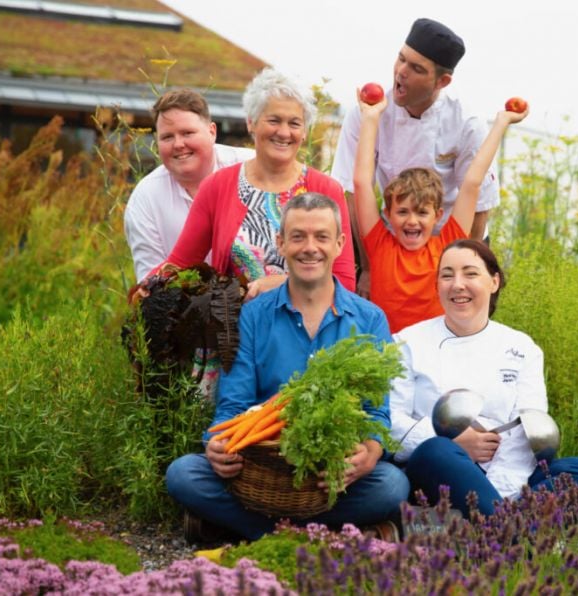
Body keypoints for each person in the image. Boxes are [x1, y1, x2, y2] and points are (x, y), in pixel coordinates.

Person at [165, 193, 409, 540]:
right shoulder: (252, 316)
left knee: (391, 485)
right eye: (298, 236)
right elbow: (233, 405)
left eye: (321, 236)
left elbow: (376, 413)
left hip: (328, 475)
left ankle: (253, 530)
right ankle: (323, 535)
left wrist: (369, 452)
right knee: (184, 474)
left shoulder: (370, 319)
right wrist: (216, 444)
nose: (310, 247)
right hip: (262, 469)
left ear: (339, 244)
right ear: (281, 242)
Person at [389, 239, 578, 517]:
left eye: (470, 273)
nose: (457, 284)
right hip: (440, 469)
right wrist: (456, 443)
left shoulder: (522, 347)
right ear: (437, 286)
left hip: (507, 469)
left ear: (494, 282)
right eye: (447, 275)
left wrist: (500, 489)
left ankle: (494, 521)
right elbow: (391, 423)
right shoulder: (407, 342)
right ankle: (515, 531)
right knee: (436, 451)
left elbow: (529, 430)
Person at [150, 68, 356, 299]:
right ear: (251, 123)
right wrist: (144, 291)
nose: (284, 132)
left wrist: (286, 284)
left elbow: (345, 283)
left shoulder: (327, 190)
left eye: (295, 123)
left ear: (305, 132)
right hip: (235, 330)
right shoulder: (217, 186)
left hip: (309, 330)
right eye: (274, 120)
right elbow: (179, 266)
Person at [331, 18, 499, 297]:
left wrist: (461, 271)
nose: (401, 72)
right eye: (401, 59)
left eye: (416, 68)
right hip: (387, 242)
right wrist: (370, 267)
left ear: (442, 82)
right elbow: (351, 189)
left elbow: (480, 205)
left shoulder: (467, 122)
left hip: (454, 239)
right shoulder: (367, 111)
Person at [353, 91, 527, 333]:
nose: (412, 221)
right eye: (402, 212)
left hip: (437, 354)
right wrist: (371, 118)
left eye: (421, 213)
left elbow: (472, 183)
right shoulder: (379, 244)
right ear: (388, 213)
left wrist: (501, 123)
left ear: (437, 216)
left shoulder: (446, 246)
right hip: (390, 357)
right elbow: (361, 182)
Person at [124, 89, 255, 282]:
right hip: (186, 307)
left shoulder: (252, 169)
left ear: (212, 132)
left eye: (187, 133)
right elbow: (150, 286)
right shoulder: (145, 199)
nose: (178, 144)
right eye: (167, 137)